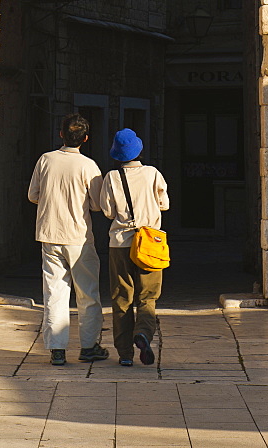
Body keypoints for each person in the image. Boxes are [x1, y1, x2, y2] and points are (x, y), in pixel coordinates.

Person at [28, 113, 109, 366]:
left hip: (50, 235)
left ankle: (57, 350)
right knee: (87, 293)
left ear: (61, 134)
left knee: (54, 292)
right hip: (78, 237)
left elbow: (33, 195)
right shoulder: (89, 166)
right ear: (85, 138)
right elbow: (97, 205)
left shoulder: (45, 160)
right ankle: (89, 346)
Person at [100, 128, 169, 367]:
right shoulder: (152, 174)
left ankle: (125, 354)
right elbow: (164, 203)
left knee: (121, 297)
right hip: (150, 242)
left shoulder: (111, 177)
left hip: (120, 243)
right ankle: (143, 333)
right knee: (148, 296)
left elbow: (107, 211)